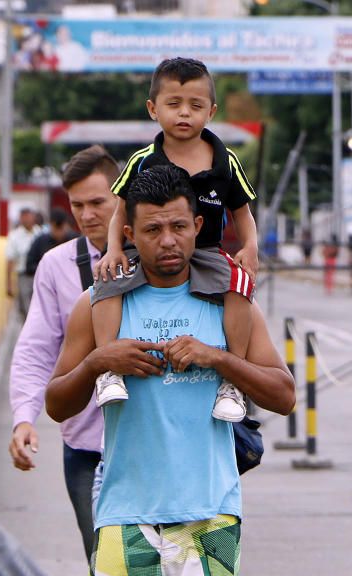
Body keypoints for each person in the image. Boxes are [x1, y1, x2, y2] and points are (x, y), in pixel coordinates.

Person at [45, 164, 295, 576]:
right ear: (129, 233)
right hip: (123, 516)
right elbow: (56, 404)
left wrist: (218, 358)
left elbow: (283, 394)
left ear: (198, 227)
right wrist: (99, 361)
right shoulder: (97, 305)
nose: (168, 241)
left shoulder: (228, 303)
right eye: (153, 229)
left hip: (210, 517)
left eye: (179, 226)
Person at [93, 57, 259, 423]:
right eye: (174, 104)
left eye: (195, 106)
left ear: (211, 111)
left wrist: (249, 247)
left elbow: (242, 213)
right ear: (153, 109)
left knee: (240, 286)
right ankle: (108, 370)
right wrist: (116, 249)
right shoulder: (142, 161)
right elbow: (121, 212)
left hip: (207, 252)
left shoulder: (226, 161)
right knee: (106, 281)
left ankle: (232, 383)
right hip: (146, 252)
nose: (184, 114)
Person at [8, 146, 119, 562]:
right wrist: (24, 417)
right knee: (102, 565)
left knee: (160, 570)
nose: (87, 214)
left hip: (149, 444)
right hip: (86, 446)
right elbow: (36, 347)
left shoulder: (154, 254)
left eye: (97, 202)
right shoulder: (56, 266)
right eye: (77, 205)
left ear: (121, 197)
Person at [6, 207, 43, 319]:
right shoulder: (14, 236)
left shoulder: (40, 233)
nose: (26, 219)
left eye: (28, 216)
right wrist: (8, 284)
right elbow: (10, 260)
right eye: (24, 217)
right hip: (24, 276)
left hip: (40, 274)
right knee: (26, 307)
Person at [25, 207, 77, 275]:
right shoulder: (40, 241)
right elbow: (29, 267)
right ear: (50, 225)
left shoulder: (75, 241)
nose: (59, 232)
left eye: (61, 228)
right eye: (56, 228)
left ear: (67, 225)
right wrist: (49, 268)